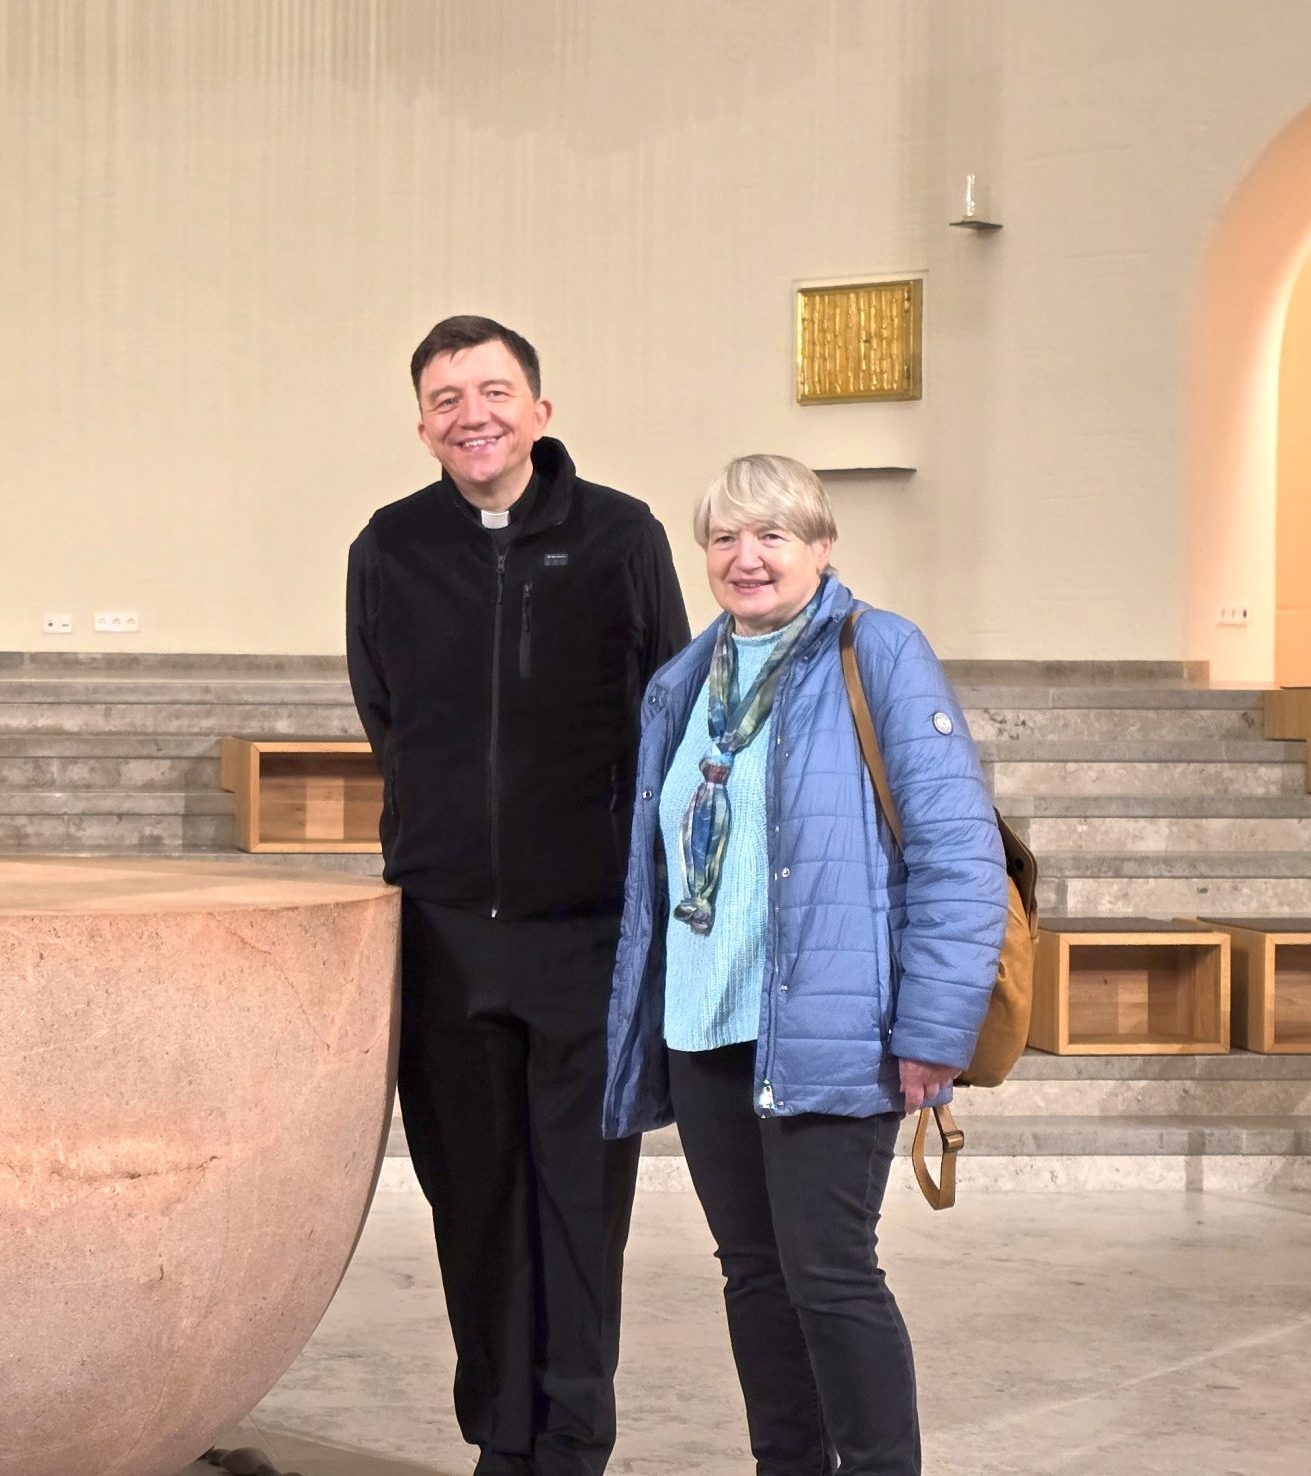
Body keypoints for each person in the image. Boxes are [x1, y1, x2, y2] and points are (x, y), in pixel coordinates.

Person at [602, 454, 1008, 1476]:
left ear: (821, 548)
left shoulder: (879, 653)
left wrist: (933, 1031)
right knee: (752, 1273)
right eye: (724, 536)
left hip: (835, 1023)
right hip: (707, 1024)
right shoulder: (683, 681)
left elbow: (959, 854)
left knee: (829, 1275)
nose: (746, 557)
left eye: (772, 534)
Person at [346, 315, 689, 1475]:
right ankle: (503, 1434)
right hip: (446, 935)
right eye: (446, 398)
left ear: (539, 410)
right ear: (422, 426)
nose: (472, 415)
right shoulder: (390, 546)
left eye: (493, 391)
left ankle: (574, 1437)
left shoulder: (619, 536)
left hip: (586, 933)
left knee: (580, 1205)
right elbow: (386, 715)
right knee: (473, 1199)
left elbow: (664, 714)